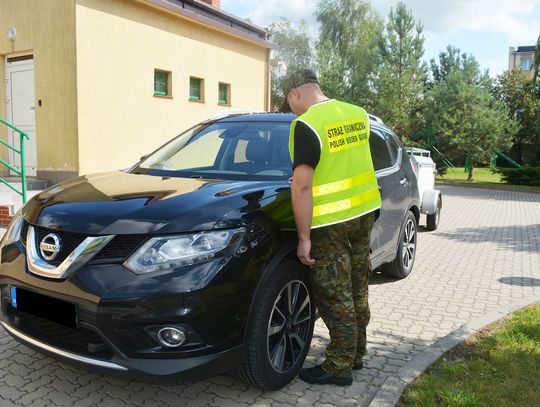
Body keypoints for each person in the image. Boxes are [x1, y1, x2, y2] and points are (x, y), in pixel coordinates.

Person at [280, 69, 381, 386]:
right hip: (364, 212)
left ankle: (339, 367)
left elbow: (302, 187)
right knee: (357, 289)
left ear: (295, 93)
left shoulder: (306, 124)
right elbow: (347, 162)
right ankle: (357, 353)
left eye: (288, 103)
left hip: (330, 222)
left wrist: (304, 238)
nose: (291, 111)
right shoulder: (357, 114)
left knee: (336, 298)